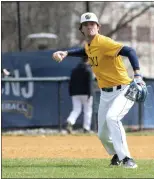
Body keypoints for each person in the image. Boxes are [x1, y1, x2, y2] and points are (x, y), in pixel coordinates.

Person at [52, 12, 147, 169]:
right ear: (81, 29)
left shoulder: (104, 42)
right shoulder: (90, 45)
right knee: (102, 134)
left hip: (123, 89)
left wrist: (137, 74)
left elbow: (129, 51)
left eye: (93, 24)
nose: (90, 26)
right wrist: (66, 52)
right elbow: (84, 51)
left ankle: (127, 159)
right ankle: (116, 153)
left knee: (113, 118)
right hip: (105, 93)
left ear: (98, 27)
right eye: (86, 25)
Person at [66, 57, 94, 134]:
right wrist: (89, 94)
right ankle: (86, 128)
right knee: (87, 111)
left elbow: (70, 83)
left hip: (75, 94)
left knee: (76, 109)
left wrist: (71, 92)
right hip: (86, 93)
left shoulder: (74, 70)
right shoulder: (88, 70)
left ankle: (70, 121)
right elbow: (89, 84)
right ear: (88, 60)